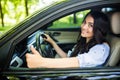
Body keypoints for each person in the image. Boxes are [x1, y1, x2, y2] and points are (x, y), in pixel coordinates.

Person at [26, 10, 110, 68]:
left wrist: (41, 62)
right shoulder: (84, 42)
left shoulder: (102, 48)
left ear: (98, 29)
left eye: (90, 25)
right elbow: (67, 57)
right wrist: (52, 42)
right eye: (84, 22)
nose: (84, 27)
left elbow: (78, 62)